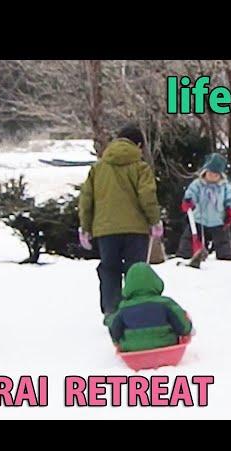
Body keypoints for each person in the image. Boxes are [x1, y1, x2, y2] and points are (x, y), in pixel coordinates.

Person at [78, 123, 163, 316]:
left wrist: (85, 226)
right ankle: (136, 310)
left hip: (105, 230)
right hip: (136, 230)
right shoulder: (141, 168)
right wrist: (154, 220)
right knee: (136, 271)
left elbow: (86, 199)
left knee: (109, 269)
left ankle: (111, 310)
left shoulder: (98, 168)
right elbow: (147, 196)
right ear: (139, 145)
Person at [105, 262, 193, 352]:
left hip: (133, 350)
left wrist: (116, 342)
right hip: (166, 345)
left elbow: (114, 329)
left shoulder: (123, 308)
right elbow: (183, 326)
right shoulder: (165, 303)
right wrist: (187, 326)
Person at [176, 153, 231, 260]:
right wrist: (188, 201)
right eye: (210, 173)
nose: (213, 177)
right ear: (205, 172)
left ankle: (226, 260)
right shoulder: (198, 184)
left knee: (223, 243)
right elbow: (191, 194)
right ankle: (183, 257)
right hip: (199, 219)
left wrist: (230, 211)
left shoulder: (225, 186)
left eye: (216, 175)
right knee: (188, 239)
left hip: (218, 220)